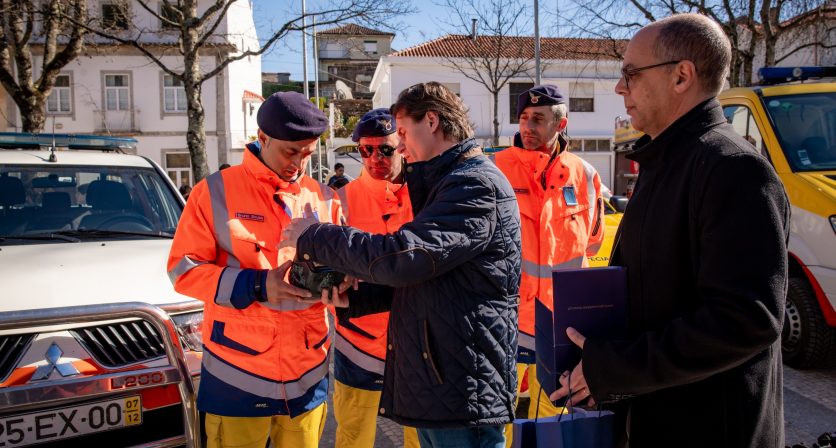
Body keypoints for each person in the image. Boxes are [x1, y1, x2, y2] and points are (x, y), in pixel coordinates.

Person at [550, 14, 789, 447]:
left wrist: (614, 366)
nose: (620, 88)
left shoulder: (733, 169)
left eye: (630, 74)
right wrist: (597, 368)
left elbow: (746, 320)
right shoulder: (665, 164)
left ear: (682, 76)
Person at [281, 82, 522, 448]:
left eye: (404, 133)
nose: (402, 146)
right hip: (445, 378)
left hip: (461, 384)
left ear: (432, 120)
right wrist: (358, 298)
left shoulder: (475, 184)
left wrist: (315, 236)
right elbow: (434, 279)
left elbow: (407, 257)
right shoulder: (451, 180)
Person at [167, 91, 342, 448]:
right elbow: (183, 271)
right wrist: (259, 285)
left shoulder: (326, 197)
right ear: (261, 138)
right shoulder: (213, 191)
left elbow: (343, 265)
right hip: (237, 372)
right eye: (290, 152)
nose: (298, 163)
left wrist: (343, 284)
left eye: (307, 153)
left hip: (306, 371)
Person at [491, 85, 604, 439]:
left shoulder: (586, 175)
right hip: (505, 321)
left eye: (538, 119)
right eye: (524, 118)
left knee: (553, 418)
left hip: (559, 326)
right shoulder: (495, 169)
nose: (528, 126)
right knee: (501, 416)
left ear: (561, 123)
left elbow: (593, 241)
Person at [330, 108, 419, 448]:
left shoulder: (427, 197)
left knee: (421, 438)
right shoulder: (341, 201)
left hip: (415, 343)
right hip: (358, 343)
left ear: (403, 146)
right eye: (365, 150)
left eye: (385, 149)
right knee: (353, 436)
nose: (374, 157)